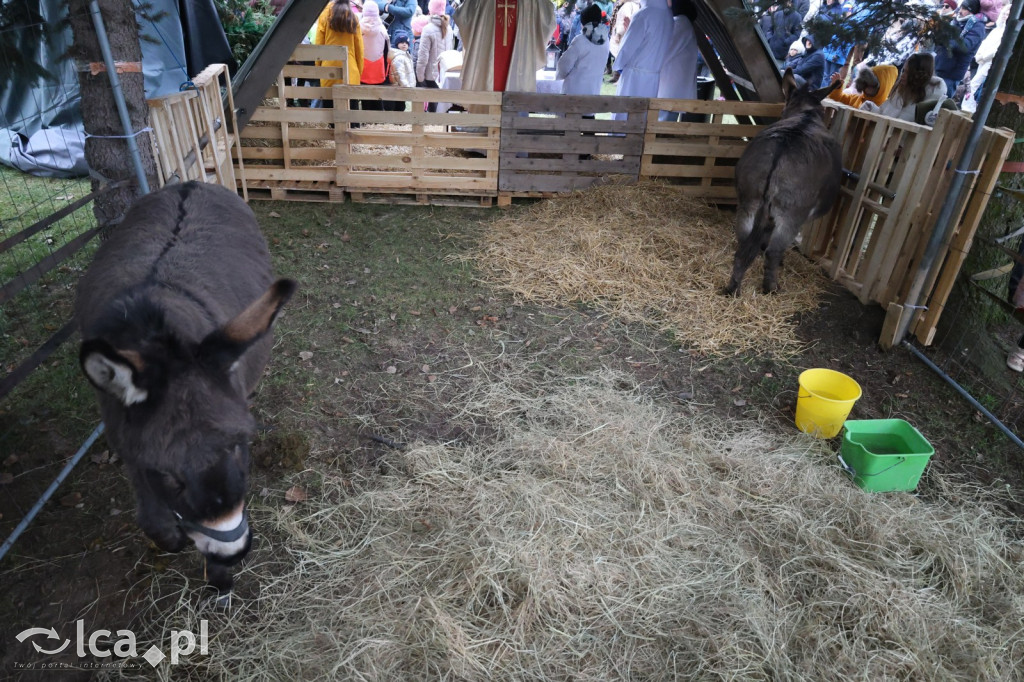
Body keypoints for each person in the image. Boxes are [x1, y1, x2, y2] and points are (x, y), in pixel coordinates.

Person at [453, 0, 556, 93]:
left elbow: (462, 17)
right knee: (516, 103)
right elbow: (548, 19)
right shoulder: (531, 2)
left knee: (487, 101)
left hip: (485, 67)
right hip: (520, 70)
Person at [612, 0, 673, 119]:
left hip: (634, 77)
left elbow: (627, 49)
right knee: (643, 119)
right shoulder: (668, 16)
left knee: (625, 118)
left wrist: (618, 64)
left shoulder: (644, 14)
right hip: (653, 77)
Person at [862, 52, 946, 122]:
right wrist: (872, 108)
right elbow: (883, 114)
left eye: (907, 72)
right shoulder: (900, 90)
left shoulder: (929, 98)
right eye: (903, 71)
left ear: (916, 75)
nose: (902, 75)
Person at [315, 0, 364, 110]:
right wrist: (358, 72)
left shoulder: (324, 16)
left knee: (330, 114)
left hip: (328, 70)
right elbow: (359, 49)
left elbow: (319, 45)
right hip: (350, 71)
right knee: (351, 116)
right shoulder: (353, 18)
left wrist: (319, 68)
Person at [962, 4, 1009, 114]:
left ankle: (970, 109)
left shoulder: (1005, 33)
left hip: (990, 62)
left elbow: (997, 50)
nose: (1005, 16)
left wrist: (985, 56)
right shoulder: (998, 29)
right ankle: (967, 107)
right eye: (1005, 13)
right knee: (973, 84)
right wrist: (980, 56)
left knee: (976, 85)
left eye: (1008, 14)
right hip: (982, 60)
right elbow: (986, 44)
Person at [657, 0, 699, 122]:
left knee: (663, 123)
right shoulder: (682, 22)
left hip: (671, 86)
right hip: (672, 84)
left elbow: (667, 49)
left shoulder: (681, 22)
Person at [935, 0, 987, 99]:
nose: (960, 11)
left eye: (964, 9)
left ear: (972, 11)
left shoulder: (978, 27)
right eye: (961, 7)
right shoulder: (957, 21)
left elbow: (965, 46)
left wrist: (946, 41)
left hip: (951, 73)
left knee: (940, 104)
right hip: (940, 66)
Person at [555, 3, 608, 96]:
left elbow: (564, 66)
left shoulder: (580, 40)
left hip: (574, 92)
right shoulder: (606, 41)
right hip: (594, 91)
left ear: (583, 22)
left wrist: (559, 75)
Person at [416, 0, 453, 110]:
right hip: (444, 74)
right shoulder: (449, 28)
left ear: (430, 9)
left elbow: (423, 55)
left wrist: (419, 76)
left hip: (431, 75)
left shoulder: (428, 29)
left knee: (432, 107)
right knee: (441, 107)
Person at [827, 63, 897, 108]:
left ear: (882, 87)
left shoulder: (885, 108)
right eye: (864, 84)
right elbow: (838, 98)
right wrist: (837, 87)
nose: (866, 88)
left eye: (870, 85)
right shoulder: (857, 99)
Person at [758, 0, 803, 65]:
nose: (787, 3)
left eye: (789, 2)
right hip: (770, 48)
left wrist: (786, 41)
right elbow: (770, 29)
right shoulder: (777, 14)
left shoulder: (797, 17)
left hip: (782, 52)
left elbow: (796, 34)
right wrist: (769, 38)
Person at [608, 0, 640, 81]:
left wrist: (618, 34)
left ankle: (620, 78)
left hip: (622, 34)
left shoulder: (628, 5)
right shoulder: (636, 5)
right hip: (628, 33)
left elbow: (625, 20)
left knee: (620, 55)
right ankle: (617, 77)